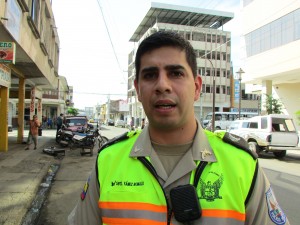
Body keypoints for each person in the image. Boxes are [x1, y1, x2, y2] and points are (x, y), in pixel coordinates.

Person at [68, 31, 289, 225]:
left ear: (196, 87)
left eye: (176, 73)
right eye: (150, 75)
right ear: (137, 89)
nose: (162, 85)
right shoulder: (108, 160)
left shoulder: (242, 164)